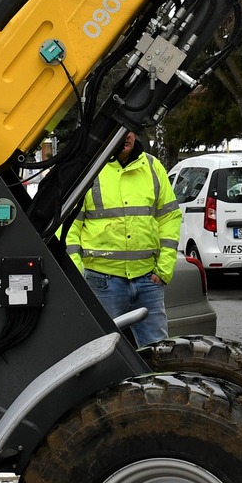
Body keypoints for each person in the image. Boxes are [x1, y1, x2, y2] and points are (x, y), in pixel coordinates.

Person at [65, 132, 181, 346]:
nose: (125, 136)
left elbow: (170, 217)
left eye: (129, 130)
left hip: (148, 279)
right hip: (102, 281)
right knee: (102, 352)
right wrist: (76, 274)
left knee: (157, 352)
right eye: (118, 130)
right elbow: (69, 227)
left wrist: (164, 269)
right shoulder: (90, 170)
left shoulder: (152, 167)